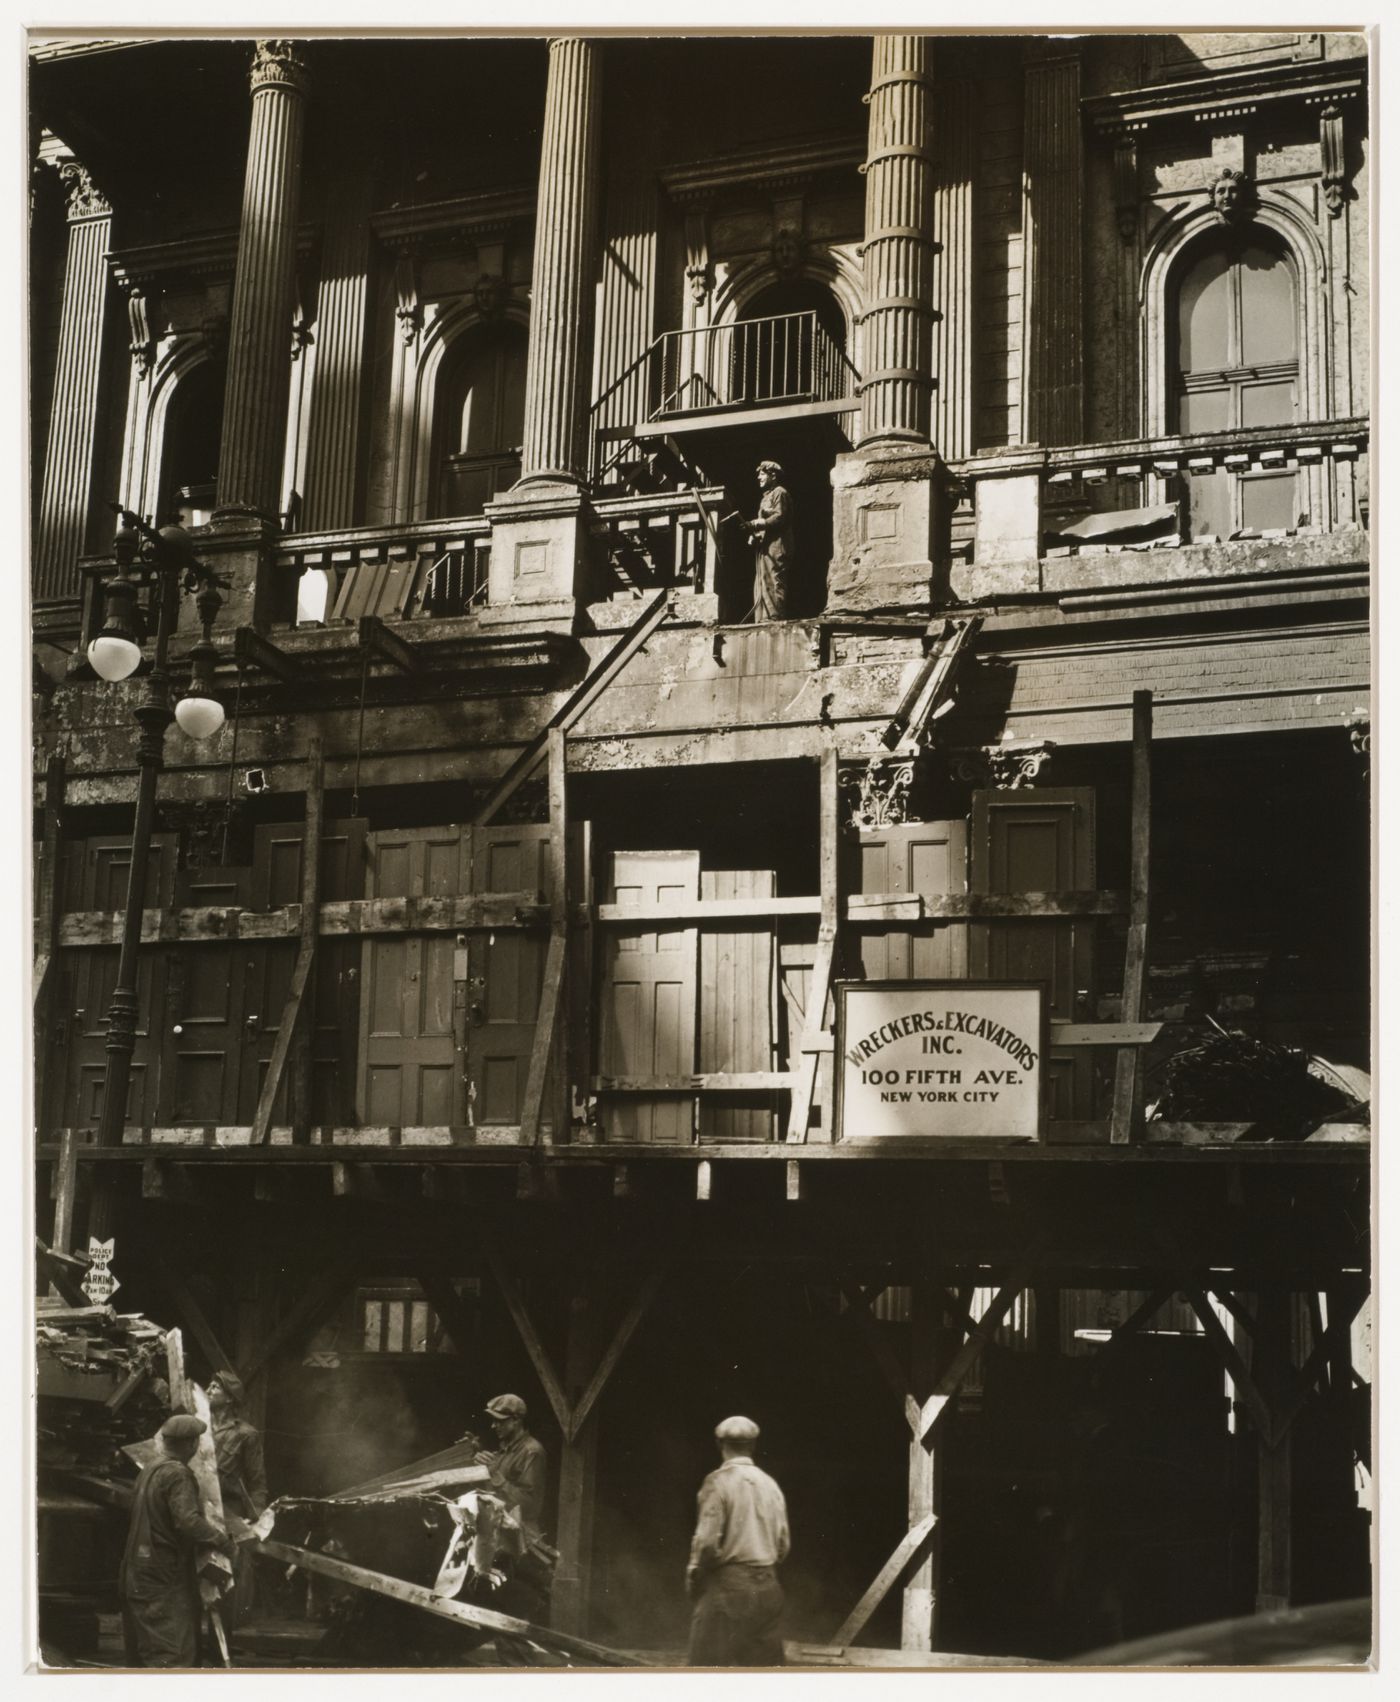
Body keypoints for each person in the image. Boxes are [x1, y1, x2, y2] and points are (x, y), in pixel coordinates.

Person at [119, 1412, 233, 1668]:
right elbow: (188, 1522)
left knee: (145, 1652)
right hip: (162, 1575)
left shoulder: (150, 1468)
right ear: (192, 1444)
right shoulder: (177, 1474)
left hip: (137, 1571)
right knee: (172, 1656)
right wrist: (221, 1539)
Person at [686, 1415, 790, 1667]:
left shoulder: (717, 1482)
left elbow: (708, 1544)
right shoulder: (770, 1484)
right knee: (762, 1679)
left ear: (719, 1444)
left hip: (729, 1591)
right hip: (768, 1588)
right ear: (753, 1446)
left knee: (705, 1673)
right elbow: (783, 1547)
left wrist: (696, 1576)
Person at [474, 1393, 554, 1637]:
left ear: (516, 1421)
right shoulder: (506, 1450)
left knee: (515, 1620)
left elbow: (529, 1505)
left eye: (500, 1420)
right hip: (499, 1541)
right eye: (493, 1420)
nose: (493, 1425)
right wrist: (477, 1458)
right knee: (500, 1617)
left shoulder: (532, 1452)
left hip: (521, 1544)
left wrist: (495, 1477)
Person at [208, 1371, 268, 1625]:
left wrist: (256, 1520)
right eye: (209, 1386)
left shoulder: (246, 1434)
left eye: (215, 1387)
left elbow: (257, 1481)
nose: (208, 1390)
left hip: (228, 1511)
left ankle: (222, 1642)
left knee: (224, 1577)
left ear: (230, 1399)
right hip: (196, 1506)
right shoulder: (197, 1425)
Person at [747, 461, 795, 621]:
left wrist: (759, 523)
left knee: (774, 580)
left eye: (762, 474)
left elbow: (780, 516)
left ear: (772, 475)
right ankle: (762, 618)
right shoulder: (765, 498)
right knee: (762, 580)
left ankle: (774, 617)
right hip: (765, 546)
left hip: (777, 546)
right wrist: (755, 535)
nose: (758, 477)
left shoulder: (780, 492)